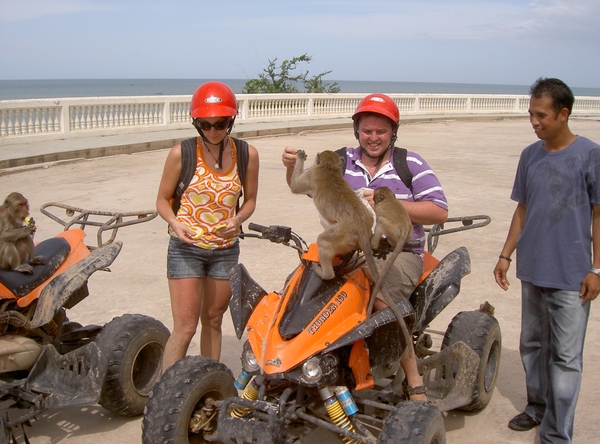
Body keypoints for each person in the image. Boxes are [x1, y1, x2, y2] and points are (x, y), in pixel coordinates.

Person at [282, 93, 448, 401]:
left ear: (393, 133)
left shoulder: (409, 163)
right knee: (299, 291)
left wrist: (391, 204)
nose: (373, 137)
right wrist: (291, 165)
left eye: (381, 131)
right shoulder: (339, 160)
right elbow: (302, 189)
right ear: (357, 131)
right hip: (349, 245)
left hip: (398, 251)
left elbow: (439, 210)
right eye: (367, 130)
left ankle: (413, 377)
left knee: (382, 300)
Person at [493, 77, 600, 443]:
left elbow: (599, 215)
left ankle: (556, 433)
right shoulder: (530, 155)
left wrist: (596, 268)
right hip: (533, 269)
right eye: (531, 115)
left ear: (563, 114)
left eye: (541, 115)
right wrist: (506, 254)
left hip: (572, 274)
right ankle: (536, 408)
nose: (534, 122)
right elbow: (522, 208)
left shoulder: (590, 155)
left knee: (566, 357)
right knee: (533, 346)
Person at [157, 81, 259, 370]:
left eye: (221, 124)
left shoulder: (247, 154)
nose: (213, 131)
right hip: (186, 249)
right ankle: (168, 390)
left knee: (213, 320)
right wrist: (175, 224)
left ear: (231, 121)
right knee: (185, 327)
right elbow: (162, 200)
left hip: (225, 250)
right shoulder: (182, 153)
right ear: (196, 123)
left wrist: (238, 219)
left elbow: (250, 200)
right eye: (206, 125)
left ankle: (206, 384)